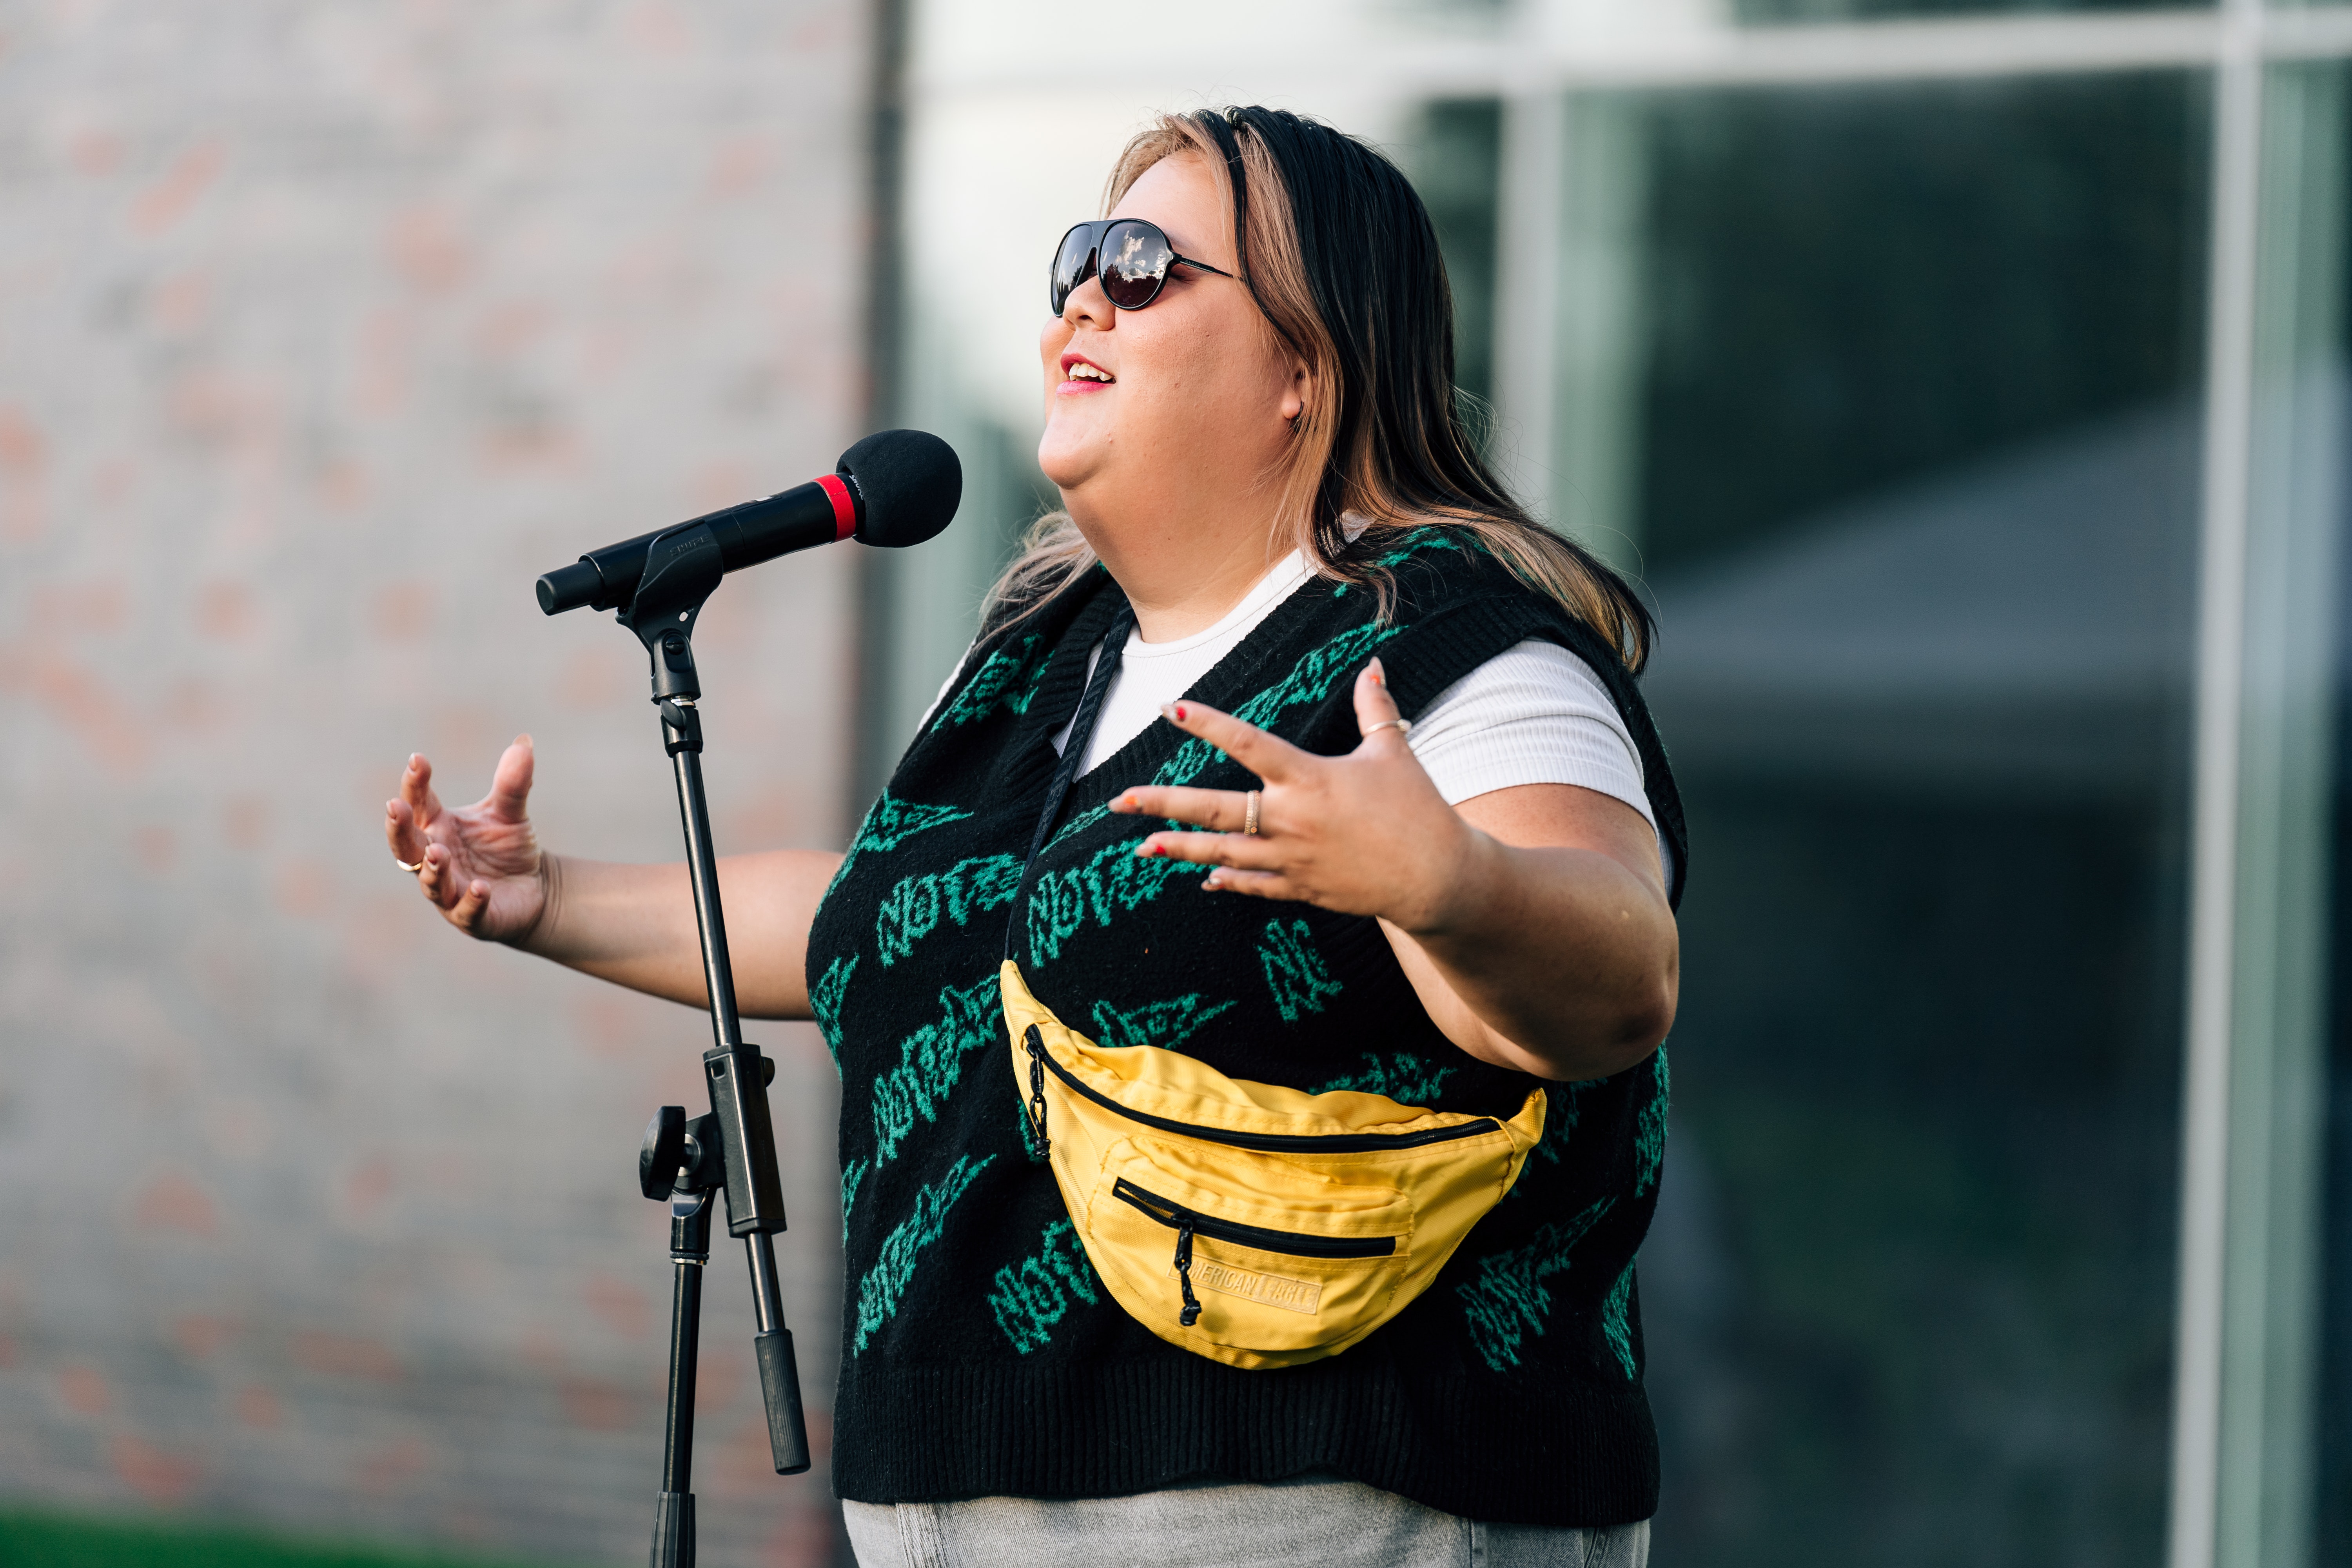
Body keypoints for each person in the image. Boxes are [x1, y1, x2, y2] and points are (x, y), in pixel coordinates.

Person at [386, 106, 1683, 1568]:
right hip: (941, 1512)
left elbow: (1624, 974)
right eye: (1079, 256)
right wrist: (545, 897)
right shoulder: (1031, 657)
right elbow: (875, 931)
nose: (1084, 293)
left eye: (1146, 266)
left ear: (1304, 375)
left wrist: (1454, 885)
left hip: (1316, 1508)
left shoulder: (1452, 647)